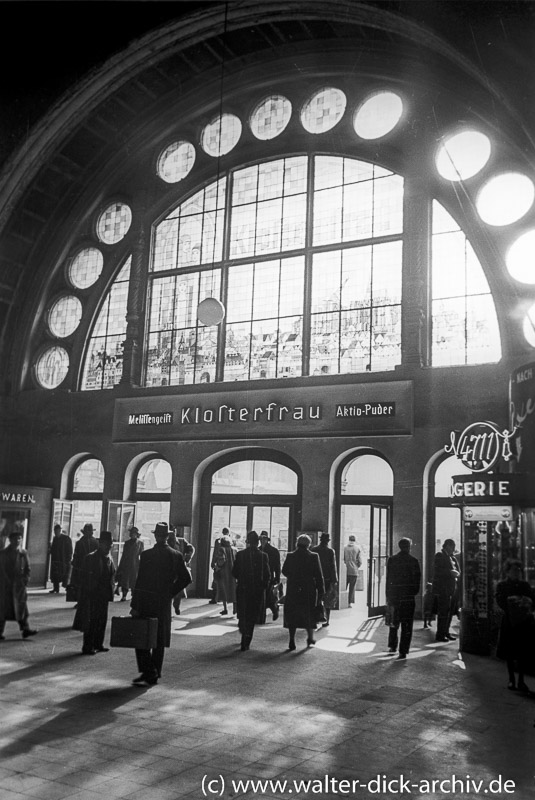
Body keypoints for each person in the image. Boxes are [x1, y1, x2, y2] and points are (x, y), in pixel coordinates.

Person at [130, 522, 192, 686]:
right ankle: (155, 672)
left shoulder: (147, 555)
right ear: (167, 536)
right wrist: (171, 592)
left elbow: (140, 581)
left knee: (142, 636)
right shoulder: (176, 555)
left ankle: (148, 670)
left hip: (146, 600)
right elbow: (187, 578)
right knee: (159, 639)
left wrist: (135, 604)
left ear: (156, 536)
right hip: (163, 602)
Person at [73, 530, 116, 655]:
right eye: (106, 544)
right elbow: (84, 577)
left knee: (102, 620)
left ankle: (98, 644)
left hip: (104, 595)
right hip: (92, 595)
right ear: (100, 544)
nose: (109, 546)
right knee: (91, 621)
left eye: (110, 544)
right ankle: (88, 646)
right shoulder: (91, 558)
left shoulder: (109, 558)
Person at [495, 559, 535, 694]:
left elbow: (532, 599)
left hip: (523, 623)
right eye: (513, 570)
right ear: (508, 572)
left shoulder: (524, 585)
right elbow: (501, 602)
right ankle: (511, 678)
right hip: (510, 622)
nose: (516, 573)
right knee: (510, 652)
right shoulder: (502, 586)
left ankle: (521, 680)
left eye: (518, 571)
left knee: (522, 652)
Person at [282, 534, 325, 650]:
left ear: (297, 543)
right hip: (308, 589)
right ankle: (310, 638)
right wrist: (321, 591)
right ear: (309, 545)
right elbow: (319, 576)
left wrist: (293, 577)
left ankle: (291, 640)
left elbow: (284, 571)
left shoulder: (290, 556)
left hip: (293, 589)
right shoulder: (314, 556)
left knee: (293, 615)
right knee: (309, 614)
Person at [232, 530, 271, 651]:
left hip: (243, 588)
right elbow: (267, 575)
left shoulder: (240, 555)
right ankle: (246, 640)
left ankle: (243, 627)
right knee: (252, 615)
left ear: (247, 541)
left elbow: (234, 572)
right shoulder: (263, 556)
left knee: (243, 611)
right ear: (258, 541)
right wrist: (263, 587)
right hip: (256, 590)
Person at [385, 537, 421, 659]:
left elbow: (389, 579)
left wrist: (389, 596)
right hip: (408, 598)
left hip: (395, 596)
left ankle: (392, 646)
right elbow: (417, 581)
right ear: (409, 547)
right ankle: (403, 650)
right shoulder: (414, 561)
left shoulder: (392, 560)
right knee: (407, 624)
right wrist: (413, 593)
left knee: (394, 622)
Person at [0, 531, 37, 640]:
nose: (17, 541)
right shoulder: (3, 553)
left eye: (19, 539)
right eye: (15, 539)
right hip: (5, 587)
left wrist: (25, 580)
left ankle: (25, 629)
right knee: (2, 610)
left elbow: (27, 569)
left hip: (19, 586)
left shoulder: (23, 553)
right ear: (10, 540)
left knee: (22, 608)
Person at [432, 538, 461, 642]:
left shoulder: (451, 557)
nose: (454, 549)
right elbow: (438, 571)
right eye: (453, 547)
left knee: (448, 612)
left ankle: (445, 632)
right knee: (443, 613)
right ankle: (440, 634)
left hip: (451, 589)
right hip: (443, 590)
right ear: (448, 546)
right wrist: (450, 573)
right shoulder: (439, 556)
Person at [311, 532, 338, 626]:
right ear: (328, 541)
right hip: (326, 579)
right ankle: (326, 620)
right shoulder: (330, 551)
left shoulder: (314, 549)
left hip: (315, 578)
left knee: (315, 599)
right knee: (327, 600)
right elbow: (333, 567)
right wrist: (334, 580)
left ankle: (314, 619)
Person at [167, 527, 195, 615]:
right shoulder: (166, 543)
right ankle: (168, 608)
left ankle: (176, 605)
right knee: (168, 591)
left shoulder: (182, 542)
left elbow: (191, 548)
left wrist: (188, 557)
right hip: (168, 570)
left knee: (178, 591)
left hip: (179, 570)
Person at [70, 523, 99, 601]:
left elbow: (76, 555)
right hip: (92, 567)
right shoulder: (96, 542)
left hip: (81, 567)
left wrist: (74, 564)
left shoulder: (80, 542)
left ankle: (80, 600)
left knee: (80, 584)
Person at [115, 527, 144, 601]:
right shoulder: (127, 543)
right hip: (127, 564)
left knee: (134, 581)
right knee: (125, 580)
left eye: (134, 533)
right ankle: (124, 595)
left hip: (135, 564)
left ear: (137, 535)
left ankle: (134, 595)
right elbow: (124, 555)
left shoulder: (140, 543)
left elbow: (142, 554)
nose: (132, 535)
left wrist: (142, 565)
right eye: (131, 533)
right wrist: (121, 565)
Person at [211, 534, 236, 615]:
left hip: (224, 572)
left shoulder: (222, 549)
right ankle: (235, 609)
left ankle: (225, 609)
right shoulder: (233, 549)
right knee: (233, 590)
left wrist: (217, 567)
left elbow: (222, 560)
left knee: (223, 591)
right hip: (232, 572)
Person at [260, 530, 281, 622]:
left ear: (267, 539)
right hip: (260, 575)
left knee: (268, 595)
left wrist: (277, 577)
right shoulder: (259, 549)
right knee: (265, 595)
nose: (262, 540)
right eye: (261, 539)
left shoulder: (273, 551)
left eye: (264, 538)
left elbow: (277, 565)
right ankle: (273, 609)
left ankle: (273, 609)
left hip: (269, 575)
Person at [48, 523, 73, 594]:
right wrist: (50, 548)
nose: (56, 532)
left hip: (63, 560)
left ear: (60, 530)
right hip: (56, 560)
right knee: (55, 575)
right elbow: (53, 550)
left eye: (57, 530)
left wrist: (68, 559)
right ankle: (56, 588)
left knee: (65, 575)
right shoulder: (55, 539)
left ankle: (66, 588)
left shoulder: (66, 539)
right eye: (55, 531)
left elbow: (69, 550)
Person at [343, 535, 361, 606]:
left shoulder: (344, 548)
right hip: (354, 571)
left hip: (345, 570)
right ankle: (349, 602)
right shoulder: (357, 548)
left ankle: (342, 601)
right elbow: (359, 561)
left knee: (344, 587)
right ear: (355, 540)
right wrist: (356, 566)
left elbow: (343, 559)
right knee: (352, 588)